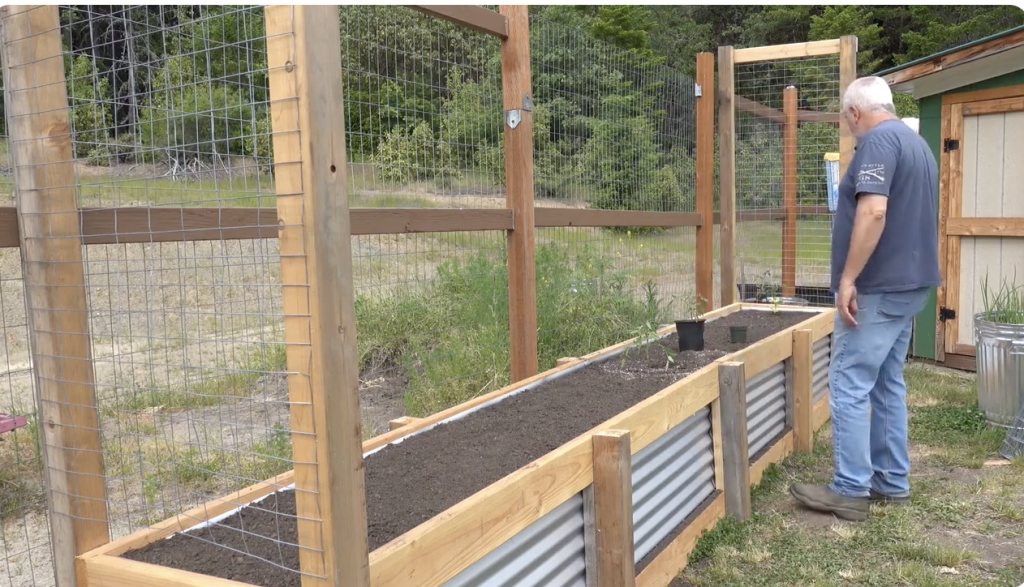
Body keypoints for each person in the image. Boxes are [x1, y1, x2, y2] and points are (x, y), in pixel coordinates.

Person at [790, 76, 942, 521]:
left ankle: (851, 489)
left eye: (846, 117)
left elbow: (875, 210)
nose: (848, 124)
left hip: (876, 288)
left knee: (850, 383)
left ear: (855, 113)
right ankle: (892, 482)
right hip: (910, 286)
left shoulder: (877, 144)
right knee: (887, 382)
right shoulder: (918, 145)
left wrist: (849, 278)